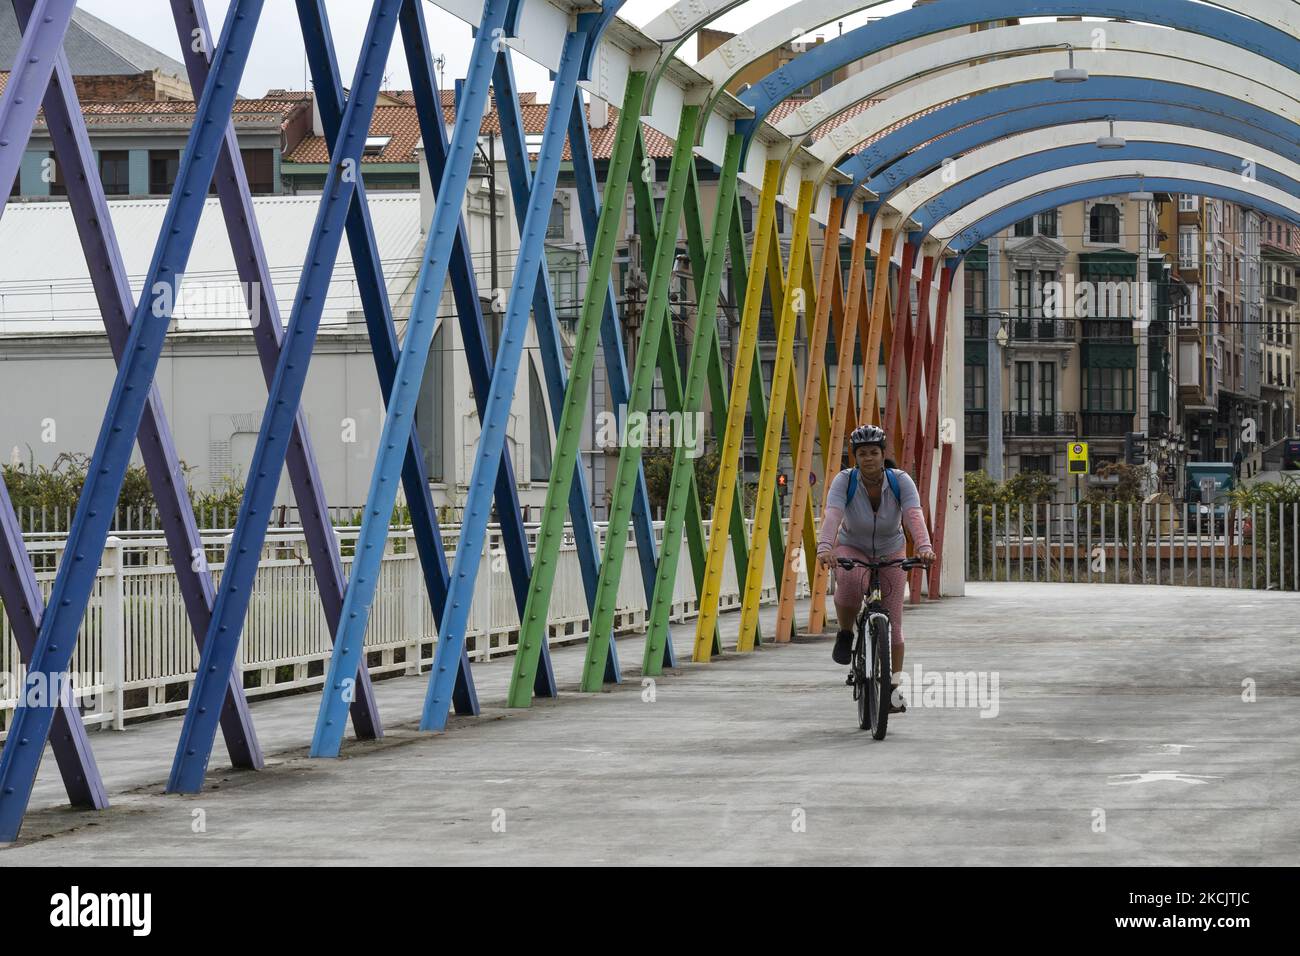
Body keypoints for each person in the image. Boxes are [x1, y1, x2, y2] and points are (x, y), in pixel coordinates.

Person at [816, 424, 935, 712]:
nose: (868, 458)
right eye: (862, 454)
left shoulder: (900, 481)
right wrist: (825, 547)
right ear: (855, 457)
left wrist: (924, 546)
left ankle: (893, 690)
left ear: (883, 455)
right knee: (850, 580)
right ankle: (846, 632)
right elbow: (833, 515)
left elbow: (913, 514)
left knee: (894, 627)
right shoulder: (844, 481)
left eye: (873, 452)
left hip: (889, 549)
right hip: (851, 546)